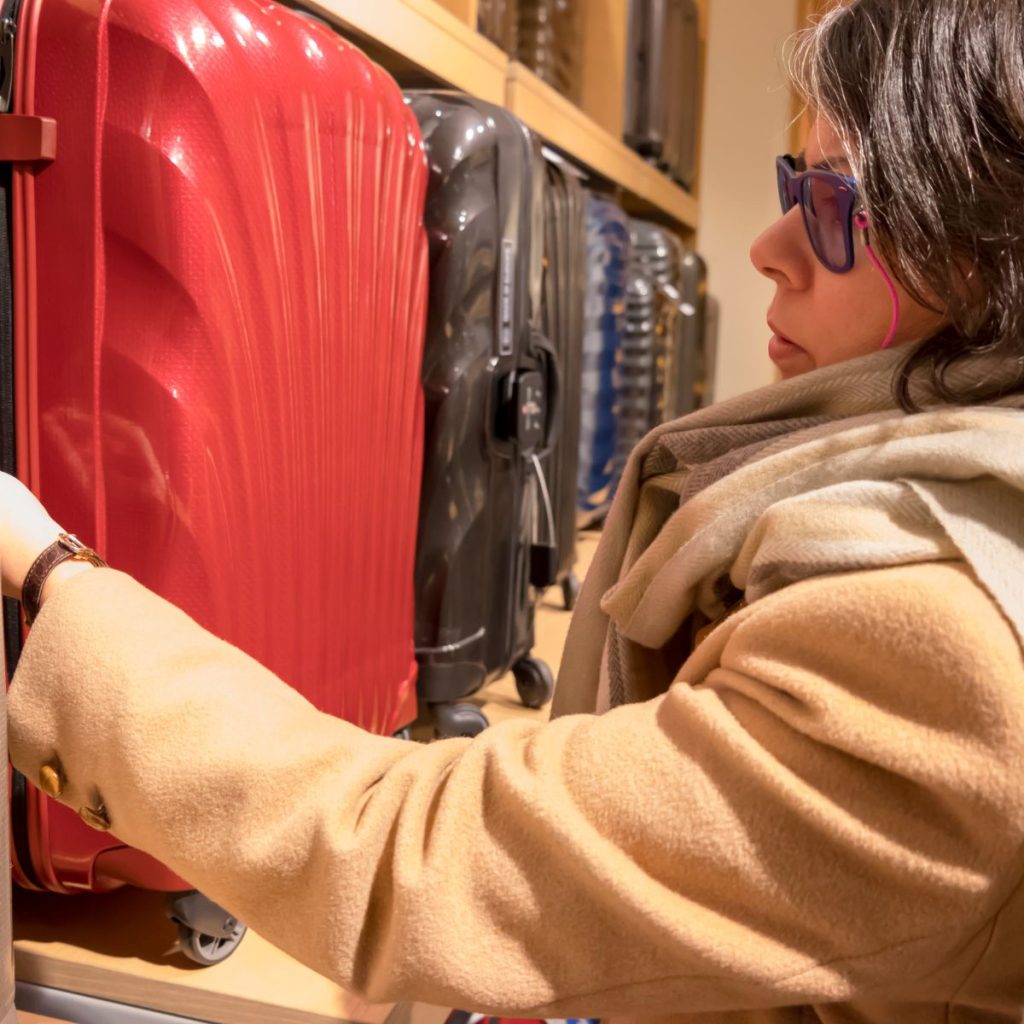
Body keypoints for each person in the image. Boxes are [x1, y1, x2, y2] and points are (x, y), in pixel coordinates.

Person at [4, 0, 1024, 1020]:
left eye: (834, 204)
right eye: (788, 185)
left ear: (979, 251)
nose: (768, 245)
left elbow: (408, 859)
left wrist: (49, 570)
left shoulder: (941, 649)